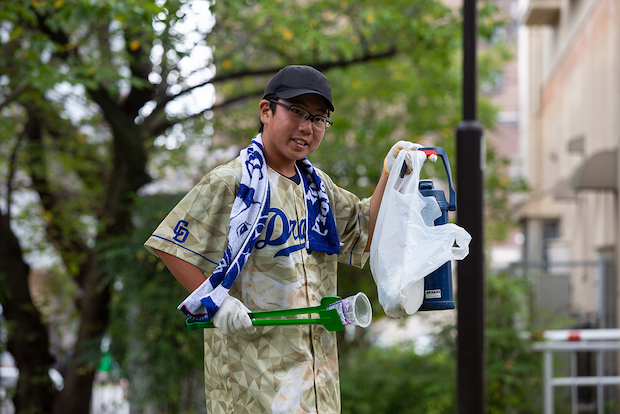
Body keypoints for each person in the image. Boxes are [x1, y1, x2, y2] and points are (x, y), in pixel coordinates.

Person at [144, 65, 421, 414]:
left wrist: (390, 172)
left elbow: (366, 233)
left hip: (316, 378)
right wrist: (215, 303)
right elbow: (172, 247)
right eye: (297, 111)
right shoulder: (231, 181)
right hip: (252, 376)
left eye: (318, 118)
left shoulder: (319, 188)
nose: (308, 126)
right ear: (266, 110)